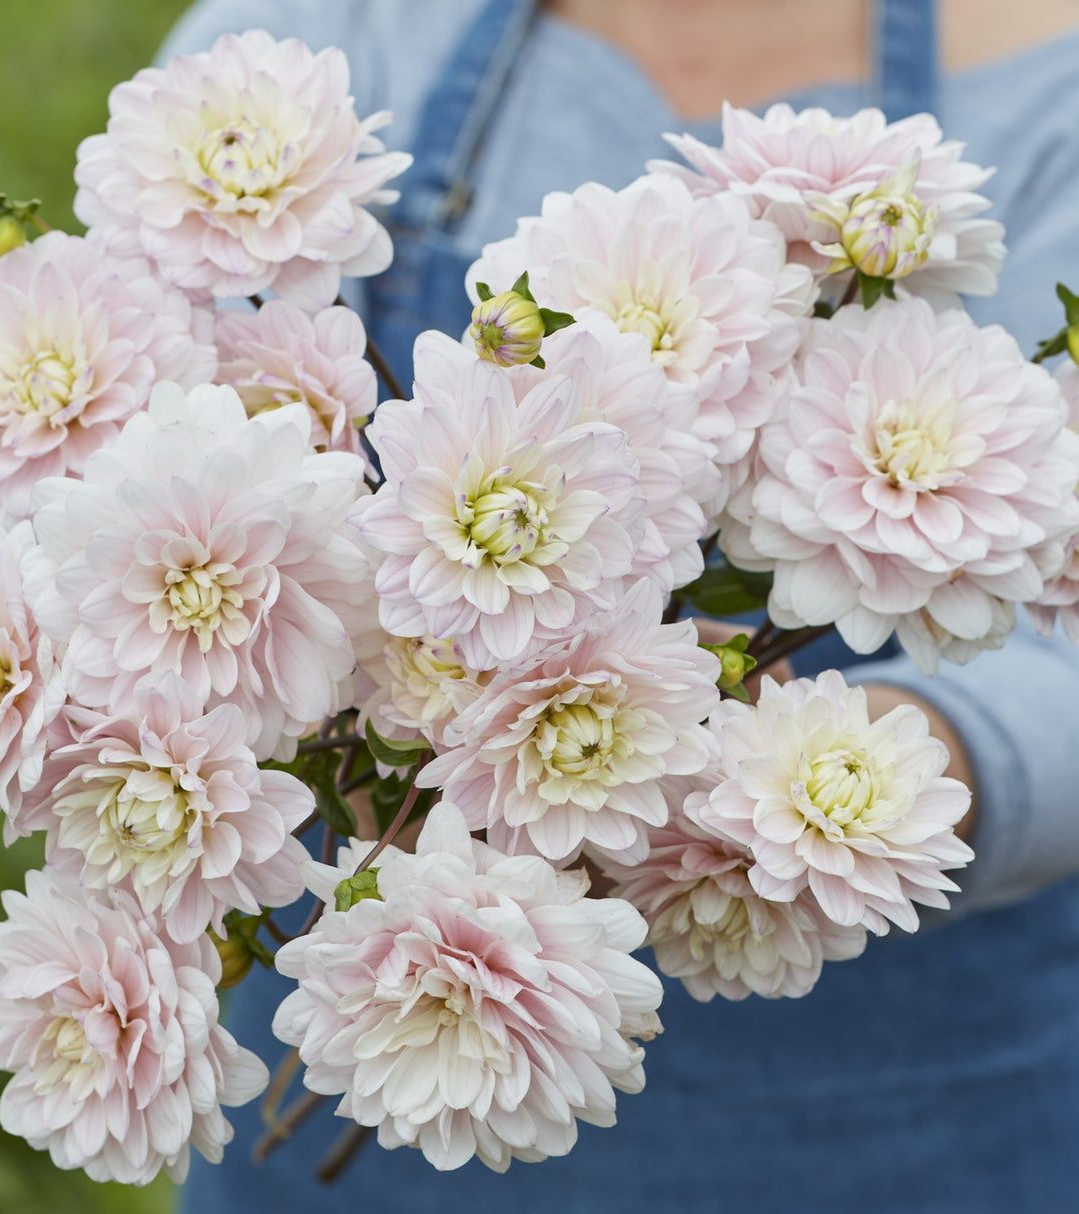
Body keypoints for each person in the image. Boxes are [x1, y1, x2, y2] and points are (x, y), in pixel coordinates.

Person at [157, 1, 1079, 1209]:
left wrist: (816, 799)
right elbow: (164, 427)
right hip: (378, 1044)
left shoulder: (1047, 87)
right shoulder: (323, 31)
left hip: (899, 1117)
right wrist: (322, 712)